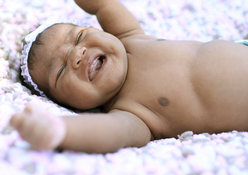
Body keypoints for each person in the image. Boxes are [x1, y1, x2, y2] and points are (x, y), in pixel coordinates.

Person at [9, 0, 248, 153]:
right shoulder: (132, 114)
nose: (77, 55)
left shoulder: (131, 38)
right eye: (60, 71)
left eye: (79, 36)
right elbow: (110, 132)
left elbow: (104, 6)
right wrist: (61, 130)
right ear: (69, 105)